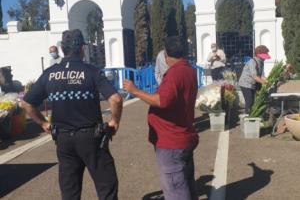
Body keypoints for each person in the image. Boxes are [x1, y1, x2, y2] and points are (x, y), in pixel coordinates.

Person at [21, 29, 123, 200]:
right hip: (91, 138)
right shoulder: (91, 71)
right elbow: (116, 99)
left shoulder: (50, 73)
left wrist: (43, 123)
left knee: (70, 192)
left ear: (62, 50)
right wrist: (114, 121)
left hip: (64, 140)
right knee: (107, 186)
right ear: (82, 48)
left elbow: (26, 103)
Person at [124, 36, 199, 200]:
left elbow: (161, 101)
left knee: (175, 189)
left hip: (171, 141)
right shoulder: (189, 70)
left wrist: (134, 90)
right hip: (183, 135)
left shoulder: (174, 74)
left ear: (165, 55)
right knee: (186, 182)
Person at [238, 45, 270, 113]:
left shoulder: (261, 62)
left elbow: (261, 75)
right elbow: (254, 76)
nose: (265, 58)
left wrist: (268, 81)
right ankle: (248, 117)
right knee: (249, 101)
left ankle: (252, 117)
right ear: (258, 54)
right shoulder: (252, 62)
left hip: (252, 84)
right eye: (264, 55)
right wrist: (264, 83)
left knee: (254, 101)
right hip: (245, 84)